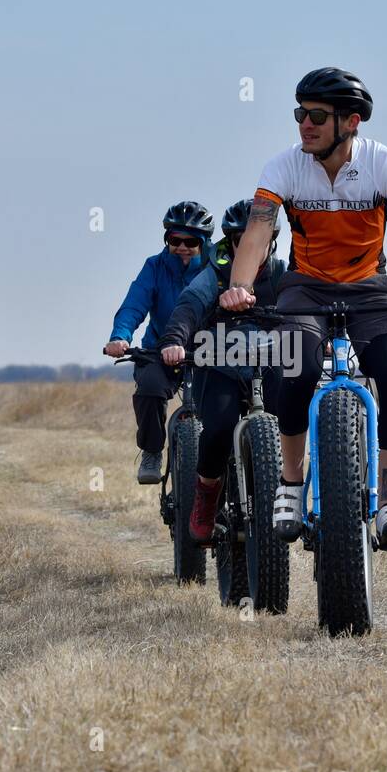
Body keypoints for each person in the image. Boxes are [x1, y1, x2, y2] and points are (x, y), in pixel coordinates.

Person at [219, 68, 387, 551]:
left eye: (315, 116)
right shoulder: (284, 167)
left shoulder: (384, 164)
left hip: (369, 288)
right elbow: (259, 231)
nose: (303, 125)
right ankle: (291, 483)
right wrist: (240, 286)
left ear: (350, 122)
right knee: (297, 366)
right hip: (305, 288)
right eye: (299, 114)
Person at [158, 199, 285, 542]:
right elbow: (188, 307)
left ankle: (290, 496)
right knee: (218, 429)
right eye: (242, 238)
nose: (252, 244)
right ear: (230, 241)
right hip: (219, 366)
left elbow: (303, 311)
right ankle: (206, 498)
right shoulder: (213, 274)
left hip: (270, 363)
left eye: (260, 237)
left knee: (289, 421)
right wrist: (174, 339)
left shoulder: (280, 272)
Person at [104, 201, 213, 483]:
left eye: (191, 241)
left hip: (211, 350)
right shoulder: (154, 266)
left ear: (205, 242)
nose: (183, 247)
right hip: (160, 348)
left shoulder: (217, 265)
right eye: (175, 240)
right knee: (150, 388)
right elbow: (134, 304)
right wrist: (120, 336)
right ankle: (152, 451)